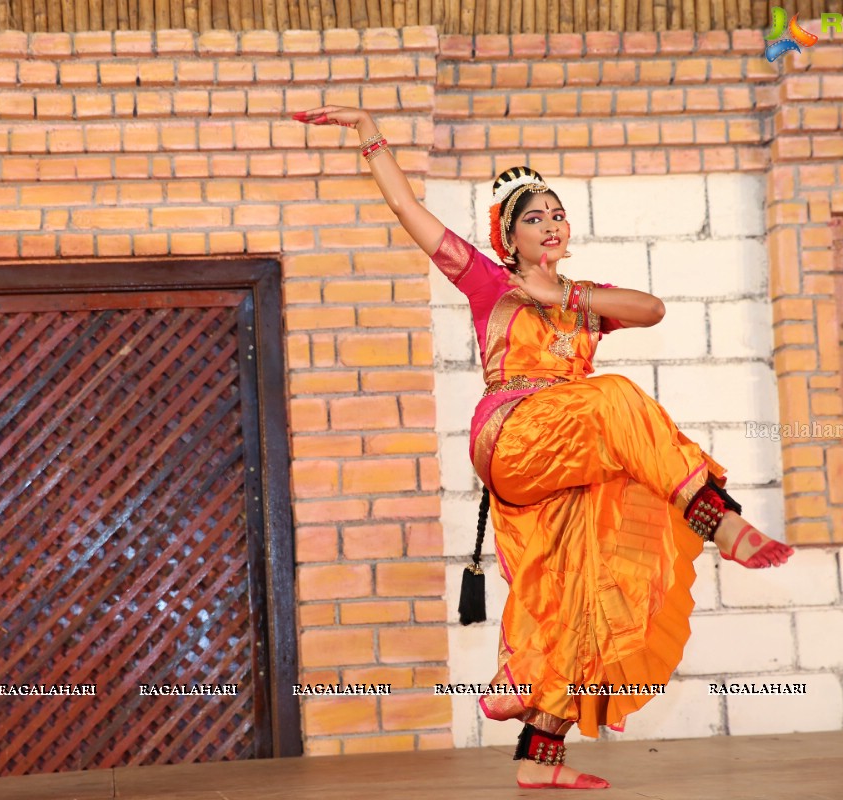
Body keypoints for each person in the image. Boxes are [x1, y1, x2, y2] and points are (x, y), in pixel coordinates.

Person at [292, 105, 795, 790]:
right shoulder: (487, 281)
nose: (550, 223)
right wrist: (369, 134)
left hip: (572, 452)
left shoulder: (580, 299)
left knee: (593, 585)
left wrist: (564, 297)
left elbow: (652, 309)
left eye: (556, 213)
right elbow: (409, 211)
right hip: (515, 434)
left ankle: (539, 750)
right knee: (617, 396)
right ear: (508, 234)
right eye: (534, 217)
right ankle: (717, 519)